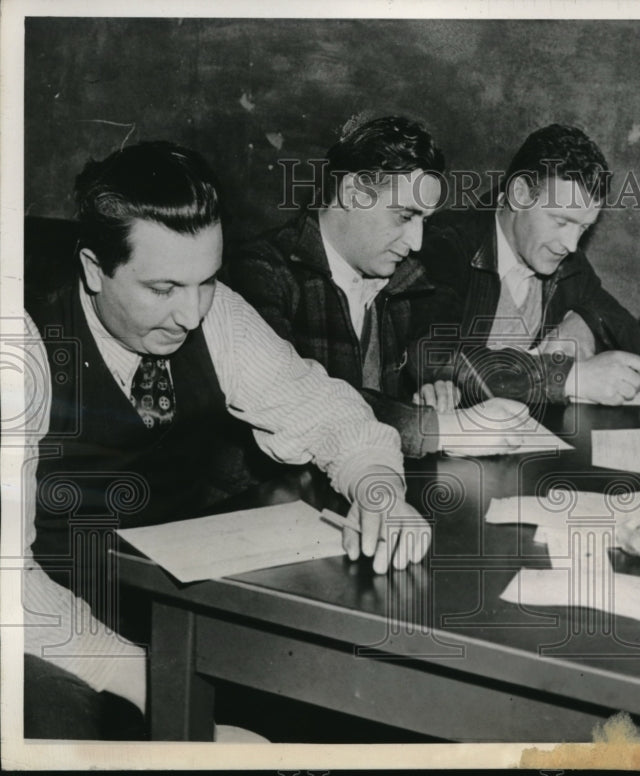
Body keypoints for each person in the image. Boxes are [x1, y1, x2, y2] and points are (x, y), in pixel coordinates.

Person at [21, 141, 430, 737]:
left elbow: (330, 413)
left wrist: (379, 489)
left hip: (163, 609)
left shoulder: (214, 314)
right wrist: (171, 696)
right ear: (93, 269)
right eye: (161, 289)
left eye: (205, 281)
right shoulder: (23, 347)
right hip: (52, 633)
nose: (191, 314)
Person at [225, 116, 529, 458]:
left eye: (424, 221)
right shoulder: (261, 272)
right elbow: (298, 401)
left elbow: (442, 356)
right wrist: (440, 429)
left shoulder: (402, 278)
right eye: (404, 216)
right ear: (353, 195)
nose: (416, 242)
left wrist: (430, 392)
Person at [416, 123, 640, 407]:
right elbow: (434, 358)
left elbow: (630, 331)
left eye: (584, 228)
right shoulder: (444, 244)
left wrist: (584, 323)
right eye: (561, 221)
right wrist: (569, 378)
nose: (572, 245)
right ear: (520, 194)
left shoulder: (562, 257)